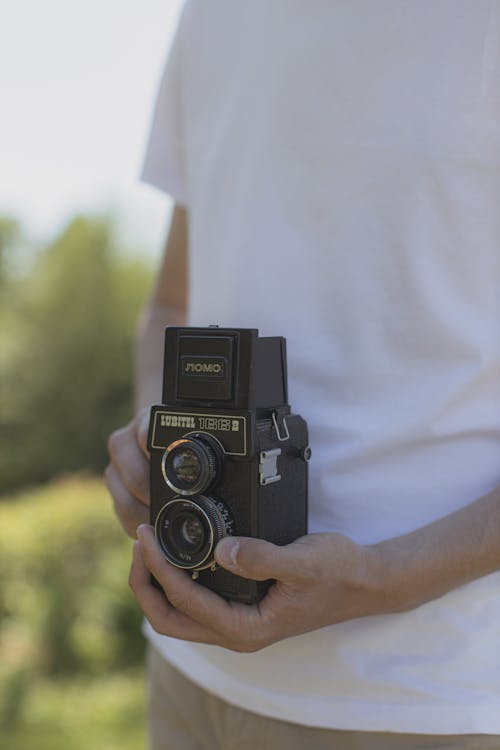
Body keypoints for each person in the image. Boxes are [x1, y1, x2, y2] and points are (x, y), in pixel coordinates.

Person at [105, 2, 500, 748]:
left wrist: (390, 576)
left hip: (421, 699)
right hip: (187, 672)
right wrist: (164, 442)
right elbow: (169, 302)